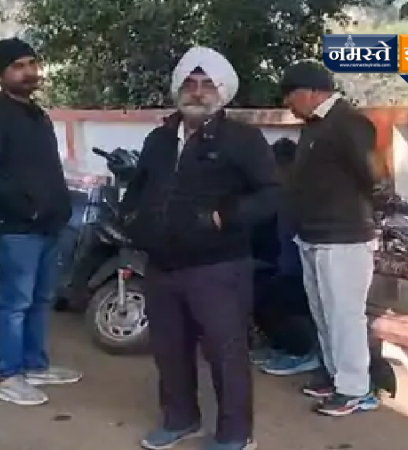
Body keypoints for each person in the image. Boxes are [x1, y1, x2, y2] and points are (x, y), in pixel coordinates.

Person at [120, 46, 280, 450]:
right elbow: (138, 189)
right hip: (161, 266)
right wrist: (133, 221)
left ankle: (234, 435)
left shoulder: (243, 140)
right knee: (169, 350)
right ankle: (180, 420)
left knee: (226, 354)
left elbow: (271, 195)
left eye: (207, 84)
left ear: (222, 92)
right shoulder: (159, 139)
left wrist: (222, 218)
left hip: (218, 267)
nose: (197, 91)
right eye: (190, 83)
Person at [0, 37, 82, 406]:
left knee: (41, 299)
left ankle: (34, 366)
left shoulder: (37, 115)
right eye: (18, 66)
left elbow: (48, 169)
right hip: (17, 229)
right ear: (0, 75)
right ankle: (8, 376)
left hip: (49, 225)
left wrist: (59, 208)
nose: (28, 72)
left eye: (32, 64)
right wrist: (25, 207)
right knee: (15, 303)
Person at [280, 60, 381, 416]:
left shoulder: (349, 122)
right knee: (323, 313)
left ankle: (354, 389)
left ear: (311, 92)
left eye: (290, 95)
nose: (287, 104)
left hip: (344, 237)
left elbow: (374, 175)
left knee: (344, 315)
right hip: (313, 234)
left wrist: (383, 209)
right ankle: (335, 374)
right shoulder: (314, 126)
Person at [251, 138, 321, 376]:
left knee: (270, 295)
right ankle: (282, 346)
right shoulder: (279, 197)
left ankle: (301, 352)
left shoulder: (303, 198)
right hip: (284, 269)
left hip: (304, 274)